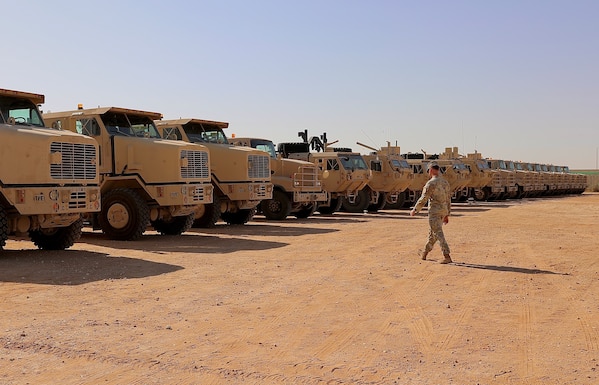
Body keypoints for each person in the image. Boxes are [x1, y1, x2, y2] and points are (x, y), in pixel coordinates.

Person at [410, 161, 453, 264]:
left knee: (438, 233)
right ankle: (424, 253)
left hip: (435, 212)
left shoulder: (431, 183)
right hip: (443, 211)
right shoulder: (445, 182)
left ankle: (446, 255)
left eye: (429, 170)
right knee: (433, 234)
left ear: (432, 170)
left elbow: (424, 198)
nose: (428, 172)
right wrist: (447, 214)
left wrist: (415, 209)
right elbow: (448, 199)